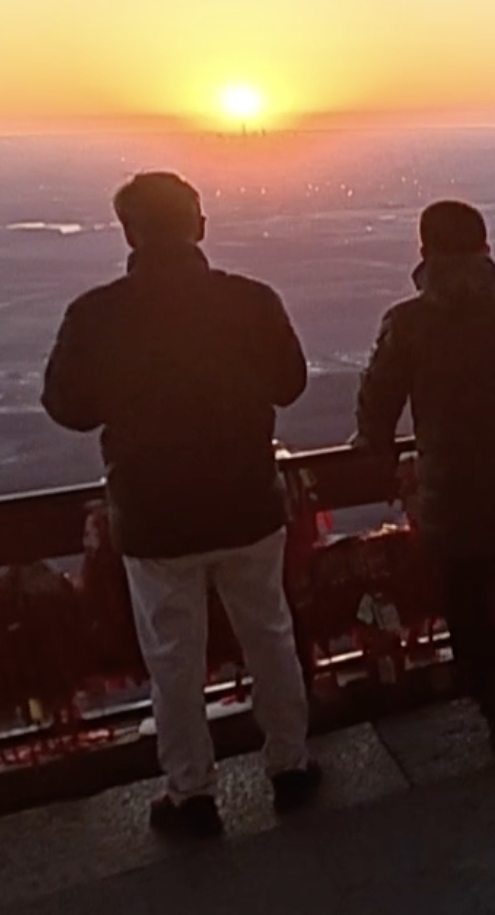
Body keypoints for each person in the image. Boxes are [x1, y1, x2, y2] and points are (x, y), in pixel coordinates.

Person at [42, 171, 319, 839]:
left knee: (172, 656)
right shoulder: (251, 301)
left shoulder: (96, 314)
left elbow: (67, 407)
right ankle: (290, 766)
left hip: (153, 512)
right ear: (198, 225)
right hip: (248, 501)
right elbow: (291, 384)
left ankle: (191, 793)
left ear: (129, 232)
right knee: (269, 636)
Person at [355, 200, 495, 758]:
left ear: (425, 251)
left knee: (467, 602)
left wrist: (374, 450)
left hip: (453, 490)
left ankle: (492, 701)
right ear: (486, 247)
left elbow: (377, 406)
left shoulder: (407, 323)